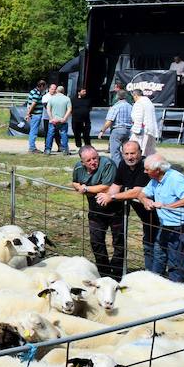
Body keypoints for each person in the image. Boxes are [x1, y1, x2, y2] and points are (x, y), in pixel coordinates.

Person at [140, 155, 184, 287]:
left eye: (147, 169)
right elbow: (142, 194)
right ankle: (168, 290)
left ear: (158, 170)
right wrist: (145, 200)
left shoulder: (176, 179)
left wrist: (167, 206)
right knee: (166, 259)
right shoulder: (155, 179)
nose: (145, 171)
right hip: (167, 225)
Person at [104, 139, 158, 273]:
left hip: (160, 214)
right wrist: (105, 197)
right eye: (126, 153)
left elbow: (137, 191)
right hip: (147, 216)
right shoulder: (123, 165)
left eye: (133, 153)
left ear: (140, 152)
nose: (130, 157)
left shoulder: (146, 167)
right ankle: (150, 273)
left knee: (161, 247)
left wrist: (111, 197)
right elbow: (117, 184)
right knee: (149, 244)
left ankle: (162, 276)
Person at [72, 146, 122, 279]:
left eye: (95, 158)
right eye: (88, 160)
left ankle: (117, 274)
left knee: (118, 243)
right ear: (82, 162)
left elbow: (106, 186)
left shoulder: (107, 165)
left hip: (115, 210)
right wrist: (78, 186)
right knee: (96, 242)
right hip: (95, 210)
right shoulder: (78, 167)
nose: (93, 162)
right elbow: (75, 182)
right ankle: (104, 273)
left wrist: (86, 188)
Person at [97, 87, 133, 165]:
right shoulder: (131, 107)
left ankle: (118, 169)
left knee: (115, 152)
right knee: (125, 151)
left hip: (117, 130)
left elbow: (109, 120)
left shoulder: (115, 107)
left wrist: (102, 131)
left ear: (117, 96)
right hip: (128, 130)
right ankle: (126, 166)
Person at [130, 81, 159, 157]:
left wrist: (136, 129)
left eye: (133, 97)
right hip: (150, 129)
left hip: (142, 129)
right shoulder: (148, 102)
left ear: (135, 95)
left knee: (136, 148)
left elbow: (138, 117)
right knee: (148, 150)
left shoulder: (139, 103)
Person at [45, 83, 72, 155]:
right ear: (63, 91)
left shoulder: (51, 98)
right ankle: (65, 150)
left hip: (53, 120)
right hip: (63, 121)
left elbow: (48, 109)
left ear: (57, 91)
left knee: (50, 135)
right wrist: (64, 118)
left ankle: (47, 150)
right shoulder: (67, 99)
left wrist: (51, 118)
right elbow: (69, 109)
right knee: (64, 135)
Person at [24, 79, 47, 154]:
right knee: (33, 131)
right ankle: (32, 148)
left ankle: (32, 147)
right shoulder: (37, 93)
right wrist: (28, 114)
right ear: (42, 86)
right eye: (44, 86)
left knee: (33, 131)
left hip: (34, 114)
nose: (45, 88)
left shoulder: (32, 91)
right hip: (36, 114)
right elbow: (33, 104)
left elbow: (29, 103)